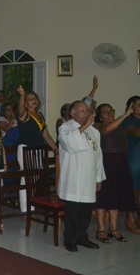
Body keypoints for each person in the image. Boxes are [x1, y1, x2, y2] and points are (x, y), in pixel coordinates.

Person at [58, 101, 105, 252]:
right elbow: (70, 144)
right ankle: (69, 239)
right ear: (73, 113)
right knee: (72, 212)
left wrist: (98, 178)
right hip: (73, 178)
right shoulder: (65, 128)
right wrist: (84, 126)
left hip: (89, 178)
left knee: (86, 211)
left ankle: (82, 237)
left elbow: (98, 156)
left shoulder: (94, 132)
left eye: (87, 110)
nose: (87, 113)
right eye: (82, 111)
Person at [93, 103, 136, 243]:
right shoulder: (98, 126)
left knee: (116, 196)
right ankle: (100, 229)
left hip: (120, 163)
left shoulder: (120, 127)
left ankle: (113, 228)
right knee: (103, 197)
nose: (110, 113)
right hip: (106, 164)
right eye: (106, 112)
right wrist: (126, 115)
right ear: (100, 116)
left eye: (111, 110)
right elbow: (106, 131)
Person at [16, 85, 58, 212]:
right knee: (26, 177)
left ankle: (32, 204)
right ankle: (25, 208)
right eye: (30, 99)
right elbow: (21, 110)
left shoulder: (40, 115)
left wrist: (56, 149)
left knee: (35, 177)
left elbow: (46, 135)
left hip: (38, 149)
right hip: (26, 148)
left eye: (34, 98)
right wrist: (22, 95)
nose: (33, 100)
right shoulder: (24, 114)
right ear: (25, 103)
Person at [122, 95, 140, 230]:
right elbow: (135, 133)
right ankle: (130, 219)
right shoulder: (128, 120)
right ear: (131, 108)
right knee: (132, 189)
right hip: (134, 156)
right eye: (139, 105)